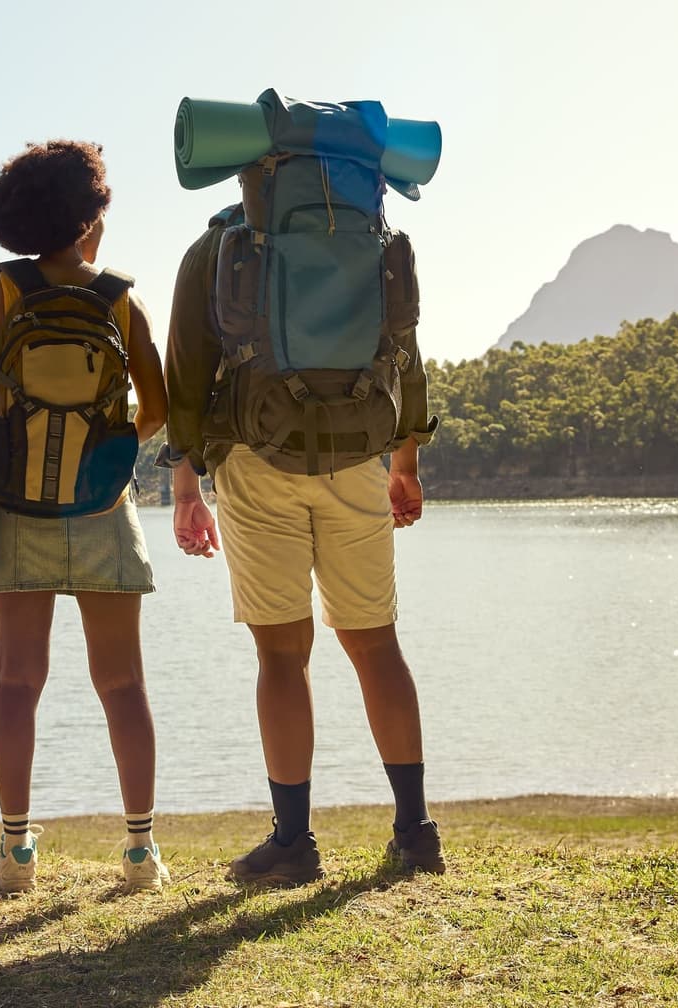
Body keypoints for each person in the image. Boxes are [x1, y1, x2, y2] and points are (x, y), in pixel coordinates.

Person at [162, 166, 445, 887]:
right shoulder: (370, 235)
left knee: (282, 654)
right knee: (376, 643)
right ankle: (416, 833)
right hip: (357, 455)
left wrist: (186, 479)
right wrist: (405, 460)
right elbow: (405, 350)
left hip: (255, 457)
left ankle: (293, 843)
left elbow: (185, 370)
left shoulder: (219, 243)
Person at [0, 140, 171, 894]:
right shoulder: (121, 298)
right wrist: (102, 457)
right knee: (123, 683)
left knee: (17, 682)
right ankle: (140, 853)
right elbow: (157, 410)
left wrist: (25, 459)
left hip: (18, 509)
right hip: (105, 508)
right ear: (88, 218)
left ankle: (16, 854)